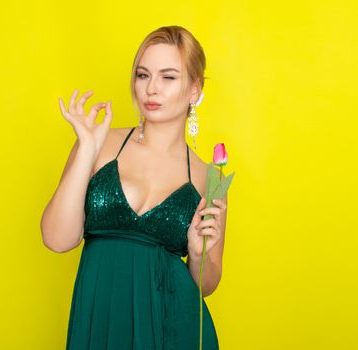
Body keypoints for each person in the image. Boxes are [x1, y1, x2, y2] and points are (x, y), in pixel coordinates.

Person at [41, 25, 228, 349]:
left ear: (194, 90)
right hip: (99, 317)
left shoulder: (207, 177)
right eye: (143, 75)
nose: (151, 88)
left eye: (168, 77)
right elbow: (57, 240)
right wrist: (86, 148)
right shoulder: (100, 143)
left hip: (171, 328)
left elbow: (206, 284)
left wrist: (199, 254)